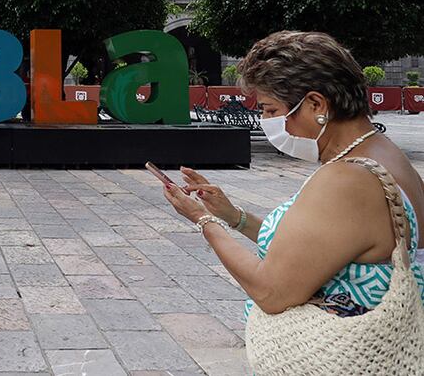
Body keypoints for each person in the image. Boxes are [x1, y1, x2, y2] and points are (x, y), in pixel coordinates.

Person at [161, 31, 424, 325]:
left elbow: (271, 291)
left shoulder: (349, 179)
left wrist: (203, 221)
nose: (267, 122)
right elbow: (316, 248)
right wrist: (234, 217)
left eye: (271, 109)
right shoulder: (383, 155)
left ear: (316, 105)